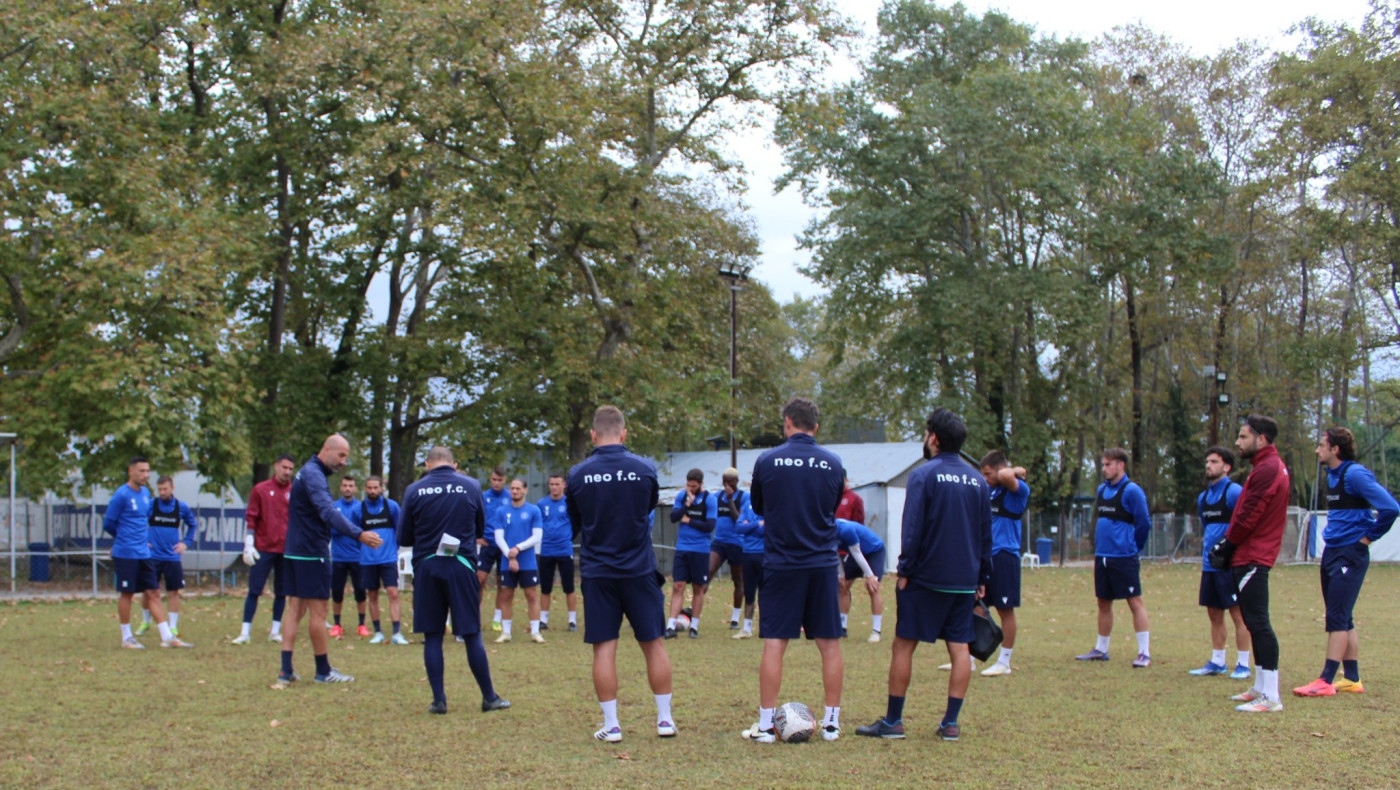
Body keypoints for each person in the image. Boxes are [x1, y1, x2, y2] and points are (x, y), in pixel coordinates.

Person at [856, 408, 990, 742]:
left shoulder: (924, 475)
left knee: (903, 645)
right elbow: (986, 534)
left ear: (933, 438)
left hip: (925, 578)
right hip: (964, 581)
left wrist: (906, 570)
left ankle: (893, 722)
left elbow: (912, 527)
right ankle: (951, 724)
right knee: (960, 648)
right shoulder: (977, 480)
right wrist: (982, 577)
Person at [566, 405, 675, 742]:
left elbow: (575, 525)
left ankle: (612, 725)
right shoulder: (644, 469)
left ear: (594, 436)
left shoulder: (578, 475)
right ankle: (665, 720)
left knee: (604, 648)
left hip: (599, 572)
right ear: (624, 434)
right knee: (653, 644)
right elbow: (646, 510)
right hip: (639, 569)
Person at [741, 396, 846, 743]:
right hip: (821, 563)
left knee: (775, 643)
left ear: (787, 423)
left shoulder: (767, 461)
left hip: (782, 563)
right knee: (829, 644)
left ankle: (767, 726)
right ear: (815, 426)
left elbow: (759, 506)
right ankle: (831, 724)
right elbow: (831, 507)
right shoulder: (833, 463)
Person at [397, 445, 510, 715]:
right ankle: (489, 697)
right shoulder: (471, 486)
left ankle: (439, 701)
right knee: (471, 634)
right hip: (461, 565)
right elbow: (481, 528)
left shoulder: (414, 490)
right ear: (454, 465)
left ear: (427, 464)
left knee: (433, 635)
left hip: (426, 568)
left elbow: (402, 538)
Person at [1293, 427, 1398, 697]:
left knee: (1337, 617)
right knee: (1344, 615)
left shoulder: (1355, 474)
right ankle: (1351, 679)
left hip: (1350, 554)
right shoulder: (1334, 476)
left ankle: (1326, 680)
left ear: (1335, 449)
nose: (1317, 449)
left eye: (1321, 445)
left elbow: (1391, 508)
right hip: (1333, 551)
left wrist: (1366, 539)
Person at [277, 435, 382, 684]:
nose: (344, 462)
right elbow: (327, 511)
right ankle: (323, 671)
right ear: (327, 449)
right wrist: (359, 534)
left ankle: (285, 670)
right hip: (311, 553)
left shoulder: (307, 472)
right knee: (318, 612)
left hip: (294, 550)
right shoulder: (313, 474)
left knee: (295, 610)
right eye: (341, 455)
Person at [1214, 415, 1291, 713]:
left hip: (1254, 555)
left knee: (1258, 621)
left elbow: (1250, 514)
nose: (1237, 442)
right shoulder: (1264, 467)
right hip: (1248, 554)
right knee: (1251, 619)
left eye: (1244, 437)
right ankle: (1260, 687)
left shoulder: (1269, 468)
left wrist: (1228, 543)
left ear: (1262, 439)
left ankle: (1271, 696)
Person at [1075, 448, 1153, 667]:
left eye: (1108, 464)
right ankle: (1101, 648)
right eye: (1103, 464)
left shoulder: (1132, 491)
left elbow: (1144, 523)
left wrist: (1133, 546)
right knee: (1103, 602)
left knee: (1134, 601)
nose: (1104, 468)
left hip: (1124, 556)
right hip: (1103, 556)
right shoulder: (1101, 490)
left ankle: (1144, 652)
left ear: (1121, 465)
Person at [103, 457, 192, 649]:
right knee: (127, 594)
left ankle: (167, 636)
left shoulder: (145, 494)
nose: (146, 475)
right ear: (131, 471)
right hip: (126, 553)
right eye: (141, 471)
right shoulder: (121, 495)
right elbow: (108, 523)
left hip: (144, 553)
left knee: (153, 592)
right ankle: (127, 638)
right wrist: (124, 538)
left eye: (147, 471)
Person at [1187, 446, 1251, 680]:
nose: (1208, 466)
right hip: (1209, 565)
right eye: (1207, 462)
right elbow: (1207, 526)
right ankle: (1217, 661)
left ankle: (1243, 664)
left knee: (1238, 615)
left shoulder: (1234, 492)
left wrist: (1231, 552)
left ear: (1226, 467)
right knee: (1214, 614)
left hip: (1231, 566)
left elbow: (1246, 523)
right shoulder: (1203, 498)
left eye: (1213, 462)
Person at [234, 454, 294, 645]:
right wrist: (249, 543)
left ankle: (275, 631)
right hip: (264, 548)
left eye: (290, 469)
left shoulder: (295, 492)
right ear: (276, 466)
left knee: (282, 591)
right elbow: (251, 517)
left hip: (286, 549)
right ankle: (245, 632)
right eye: (284, 467)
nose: (287, 472)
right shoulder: (260, 489)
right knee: (254, 590)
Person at [978, 451, 1028, 676]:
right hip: (986, 556)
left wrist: (1015, 471)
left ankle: (1004, 662)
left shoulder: (1018, 490)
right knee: (977, 606)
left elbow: (1008, 474)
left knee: (1005, 610)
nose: (985, 479)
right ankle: (970, 656)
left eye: (989, 474)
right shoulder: (990, 491)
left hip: (1005, 556)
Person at [139, 474, 200, 638]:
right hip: (152, 556)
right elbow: (138, 521)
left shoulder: (181, 507)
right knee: (149, 591)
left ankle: (173, 626)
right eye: (159, 489)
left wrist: (186, 543)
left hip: (172, 557)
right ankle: (145, 621)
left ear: (172, 488)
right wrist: (144, 541)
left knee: (173, 592)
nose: (162, 492)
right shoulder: (151, 505)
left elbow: (193, 525)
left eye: (165, 489)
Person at [356, 475, 407, 645]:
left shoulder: (391, 506)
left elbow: (400, 529)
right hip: (368, 560)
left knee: (393, 593)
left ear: (381, 488)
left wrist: (394, 548)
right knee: (372, 595)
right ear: (365, 489)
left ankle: (397, 633)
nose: (372, 491)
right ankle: (378, 632)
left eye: (375, 488)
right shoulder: (359, 509)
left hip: (388, 559)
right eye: (369, 488)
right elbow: (354, 533)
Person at [494, 478, 545, 644]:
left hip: (527, 561)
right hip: (506, 560)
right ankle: (506, 633)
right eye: (512, 488)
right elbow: (498, 537)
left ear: (525, 490)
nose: (514, 491)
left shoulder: (534, 510)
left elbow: (537, 536)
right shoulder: (501, 511)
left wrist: (517, 549)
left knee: (531, 595)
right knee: (506, 595)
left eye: (517, 488)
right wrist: (510, 554)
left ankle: (536, 632)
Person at [666, 468, 716, 638]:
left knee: (698, 588)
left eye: (694, 486)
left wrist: (689, 520)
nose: (690, 488)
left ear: (701, 484)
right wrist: (687, 504)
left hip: (700, 549)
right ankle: (670, 626)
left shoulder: (710, 500)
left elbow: (709, 526)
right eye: (688, 485)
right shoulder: (682, 496)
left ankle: (694, 626)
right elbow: (673, 517)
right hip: (682, 548)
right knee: (677, 586)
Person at [536, 473, 578, 632]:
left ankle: (572, 620)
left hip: (564, 550)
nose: (554, 487)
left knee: (569, 587)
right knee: (545, 587)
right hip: (546, 550)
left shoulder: (569, 503)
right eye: (551, 484)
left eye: (557, 484)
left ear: (564, 485)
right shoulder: (541, 504)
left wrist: (567, 537)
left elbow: (575, 523)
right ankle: (543, 619)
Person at [708, 468, 748, 631]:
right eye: (724, 481)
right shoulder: (717, 497)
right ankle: (692, 611)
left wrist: (731, 500)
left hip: (737, 543)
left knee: (738, 580)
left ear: (736, 481)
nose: (727, 485)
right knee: (707, 572)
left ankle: (735, 617)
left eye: (730, 481)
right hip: (719, 542)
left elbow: (738, 519)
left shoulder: (744, 497)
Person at [330, 474, 369, 638]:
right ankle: (337, 624)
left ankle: (362, 624)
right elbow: (330, 529)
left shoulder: (360, 508)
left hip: (357, 557)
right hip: (338, 557)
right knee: (337, 592)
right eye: (345, 485)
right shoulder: (333, 507)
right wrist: (347, 529)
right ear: (340, 487)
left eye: (350, 485)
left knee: (360, 592)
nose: (347, 488)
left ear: (355, 488)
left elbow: (363, 531)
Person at [836, 518, 884, 643]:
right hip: (856, 553)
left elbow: (857, 552)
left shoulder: (845, 530)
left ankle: (876, 631)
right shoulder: (825, 531)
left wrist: (870, 576)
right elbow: (834, 552)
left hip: (874, 551)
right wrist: (841, 574)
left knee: (873, 587)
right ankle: (842, 628)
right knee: (842, 586)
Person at [479, 466, 510, 631]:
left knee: (502, 583)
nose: (496, 483)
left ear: (505, 480)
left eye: (500, 480)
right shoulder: (483, 497)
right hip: (488, 544)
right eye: (494, 480)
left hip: (504, 546)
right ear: (490, 480)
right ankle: (476, 616)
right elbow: (475, 516)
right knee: (479, 580)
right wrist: (477, 536)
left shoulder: (510, 497)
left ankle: (497, 618)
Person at [732, 497, 765, 640]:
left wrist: (749, 526)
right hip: (747, 553)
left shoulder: (770, 503)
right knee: (749, 592)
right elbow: (738, 527)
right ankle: (746, 628)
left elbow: (767, 530)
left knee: (765, 593)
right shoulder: (747, 505)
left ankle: (765, 629)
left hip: (764, 554)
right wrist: (757, 524)